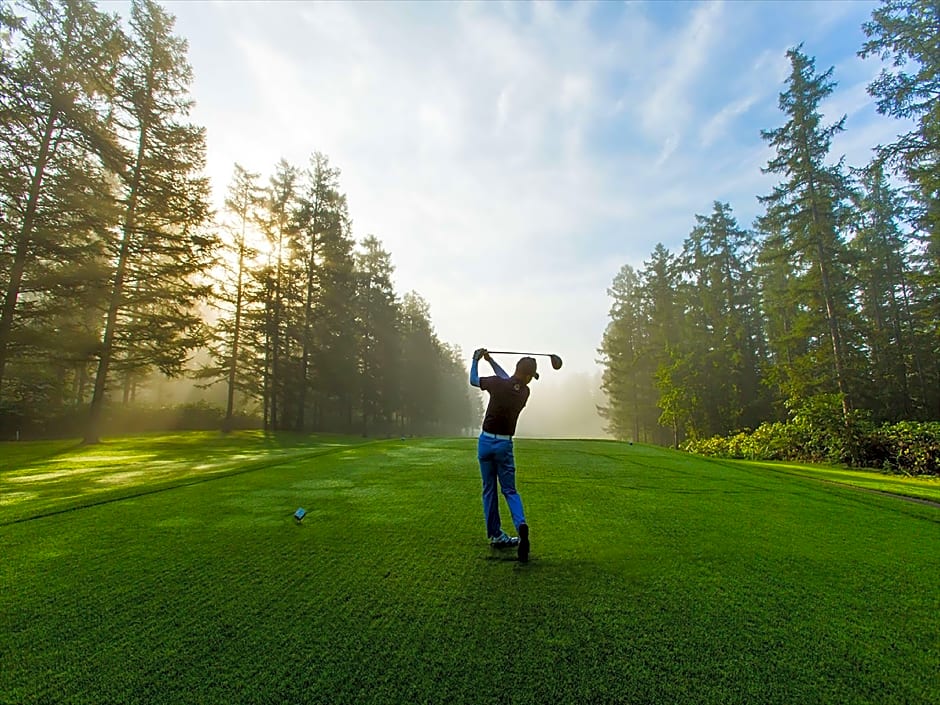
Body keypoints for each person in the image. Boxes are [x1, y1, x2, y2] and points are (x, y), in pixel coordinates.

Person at [469, 348, 537, 562]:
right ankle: (520, 525)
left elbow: (473, 380)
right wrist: (492, 360)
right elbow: (508, 379)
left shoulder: (498, 384)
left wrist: (476, 359)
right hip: (504, 445)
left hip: (486, 442)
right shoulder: (524, 392)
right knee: (509, 490)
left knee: (489, 490)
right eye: (531, 377)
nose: (530, 381)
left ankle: (496, 535)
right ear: (526, 376)